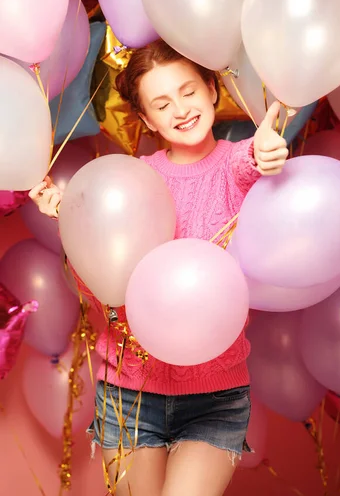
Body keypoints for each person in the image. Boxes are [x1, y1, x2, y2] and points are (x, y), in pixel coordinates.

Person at [29, 39, 288, 496]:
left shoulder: (235, 167)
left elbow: (251, 162)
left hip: (215, 398)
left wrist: (264, 151)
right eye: (162, 104)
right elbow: (105, 296)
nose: (181, 110)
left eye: (188, 91)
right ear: (147, 120)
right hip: (128, 395)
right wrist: (72, 222)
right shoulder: (132, 180)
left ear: (212, 90)